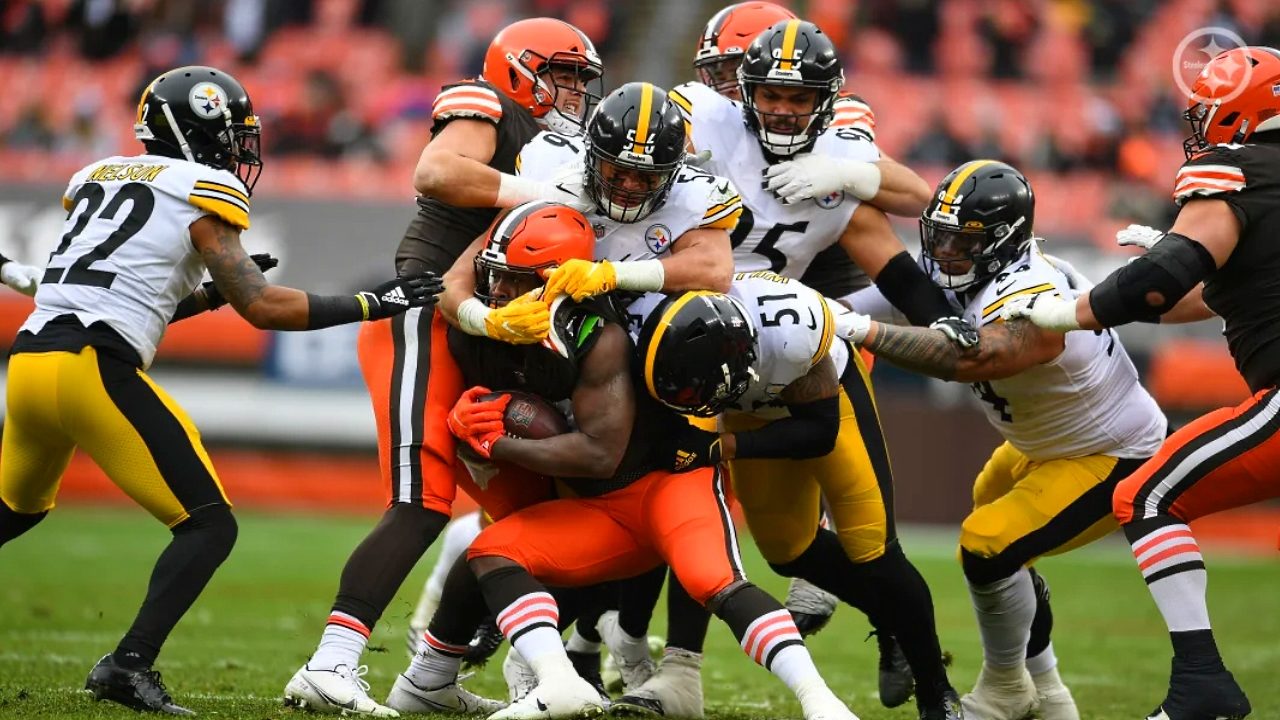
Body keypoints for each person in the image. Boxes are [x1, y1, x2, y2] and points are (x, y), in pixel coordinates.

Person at [0, 65, 441, 716]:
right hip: (91, 367)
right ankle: (127, 665)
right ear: (198, 130)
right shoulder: (200, 188)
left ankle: (127, 663)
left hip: (31, 365)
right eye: (231, 135)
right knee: (208, 527)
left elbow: (130, 296)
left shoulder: (96, 176)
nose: (239, 149)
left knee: (17, 510)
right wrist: (377, 301)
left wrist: (209, 295)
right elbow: (264, 309)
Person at [617, 19, 969, 718]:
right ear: (743, 90)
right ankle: (629, 655)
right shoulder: (705, 119)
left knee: (873, 546)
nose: (782, 108)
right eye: (770, 93)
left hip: (802, 349)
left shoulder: (840, 159)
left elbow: (909, 219)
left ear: (827, 99)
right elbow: (628, 128)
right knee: (772, 544)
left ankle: (938, 692)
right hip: (697, 345)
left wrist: (853, 175)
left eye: (799, 96)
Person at [285, 18, 603, 717]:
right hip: (425, 314)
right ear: (518, 69)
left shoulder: (576, 146)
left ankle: (442, 674)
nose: (576, 90)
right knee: (423, 498)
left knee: (537, 516)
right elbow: (437, 170)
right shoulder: (487, 103)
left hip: (494, 337)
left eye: (583, 77)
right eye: (565, 73)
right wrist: (543, 199)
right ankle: (330, 663)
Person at [445, 266, 859, 720]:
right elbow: (450, 296)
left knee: (715, 581)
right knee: (491, 549)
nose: (504, 295)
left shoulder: (631, 323)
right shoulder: (508, 333)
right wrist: (477, 420)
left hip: (671, 483)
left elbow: (600, 453)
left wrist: (496, 442)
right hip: (604, 510)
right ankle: (557, 679)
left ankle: (822, 702)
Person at [835, 160, 1169, 720]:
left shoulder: (1029, 290)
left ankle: (1004, 690)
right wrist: (809, 313)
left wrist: (862, 332)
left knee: (989, 545)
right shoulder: (960, 264)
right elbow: (862, 307)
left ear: (1003, 242)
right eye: (938, 236)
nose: (943, 253)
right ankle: (1051, 695)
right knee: (1000, 535)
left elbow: (975, 357)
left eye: (961, 242)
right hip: (1041, 447)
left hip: (1114, 453)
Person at [1004, 46, 1280, 720]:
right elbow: (1218, 291)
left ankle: (1202, 687)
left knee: (1147, 496)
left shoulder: (1239, 171)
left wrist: (1066, 312)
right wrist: (1187, 260)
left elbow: (1163, 284)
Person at [630, 272, 962, 720]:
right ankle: (891, 621)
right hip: (747, 407)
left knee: (875, 553)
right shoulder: (665, 325)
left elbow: (819, 432)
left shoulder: (791, 332)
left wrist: (725, 446)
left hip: (830, 406)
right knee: (788, 551)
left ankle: (935, 690)